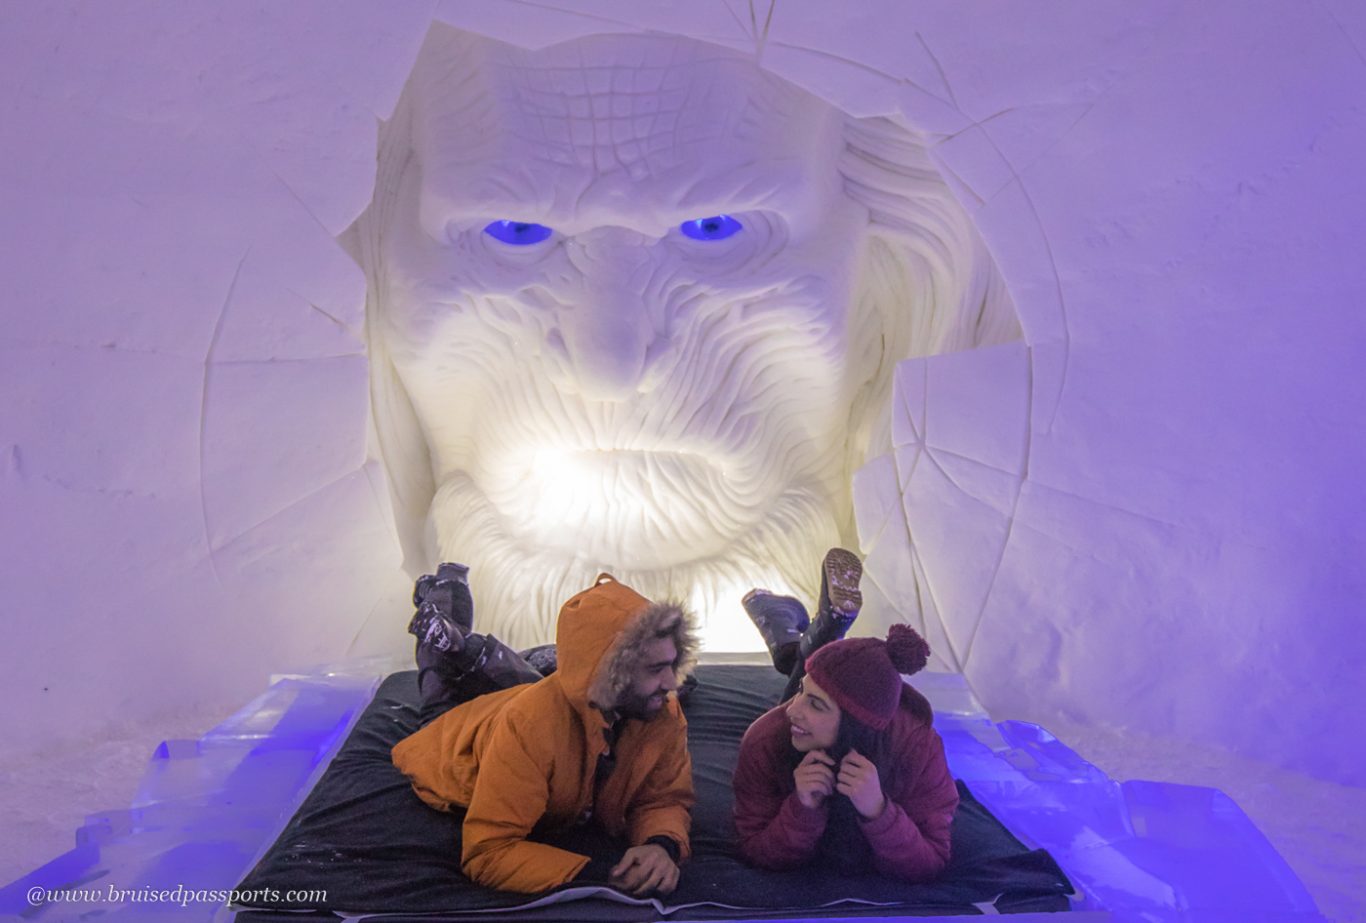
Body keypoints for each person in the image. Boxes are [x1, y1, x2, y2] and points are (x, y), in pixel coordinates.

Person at [391, 564, 698, 895]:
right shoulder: (529, 727)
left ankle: (461, 636)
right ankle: (446, 586)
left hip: (516, 705)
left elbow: (663, 797)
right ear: (613, 673)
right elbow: (489, 851)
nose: (671, 683)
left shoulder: (661, 712)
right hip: (451, 740)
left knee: (513, 677)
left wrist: (661, 845)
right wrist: (603, 873)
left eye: (671, 664)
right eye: (655, 669)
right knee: (436, 680)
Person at [732, 549, 960, 881]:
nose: (792, 710)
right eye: (802, 692)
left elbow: (930, 859)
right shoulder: (768, 736)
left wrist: (879, 811)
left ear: (858, 723)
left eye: (816, 704)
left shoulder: (916, 747)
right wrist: (802, 808)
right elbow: (753, 846)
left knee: (789, 659)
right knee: (793, 668)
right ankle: (794, 616)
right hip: (803, 748)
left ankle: (789, 613)